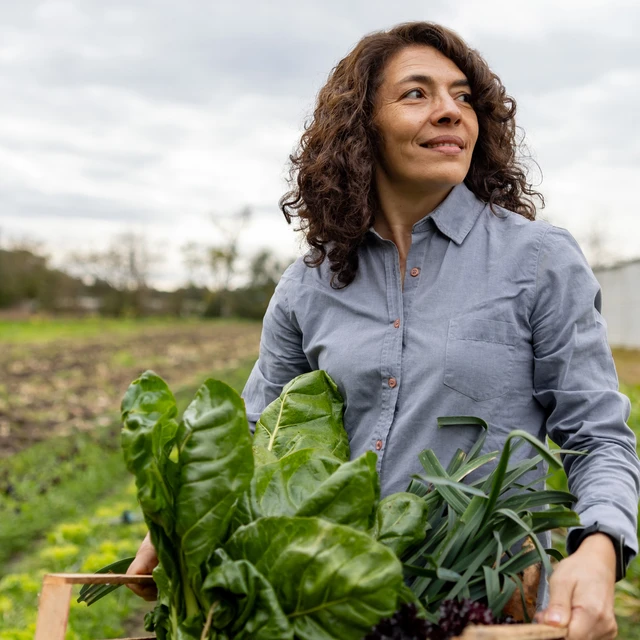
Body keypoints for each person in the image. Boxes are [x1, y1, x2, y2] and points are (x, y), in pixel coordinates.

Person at [127, 22, 639, 640]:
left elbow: (597, 434)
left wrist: (600, 544)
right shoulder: (309, 286)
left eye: (463, 97)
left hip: (490, 605)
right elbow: (257, 432)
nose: (451, 111)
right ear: (360, 128)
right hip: (332, 605)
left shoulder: (539, 261)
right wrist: (183, 523)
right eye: (417, 94)